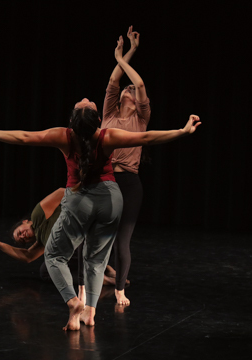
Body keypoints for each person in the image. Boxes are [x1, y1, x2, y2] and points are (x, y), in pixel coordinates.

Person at [0, 52, 200, 329]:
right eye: (88, 103)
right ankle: (90, 313)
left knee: (54, 256)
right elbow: (148, 137)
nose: (86, 98)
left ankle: (73, 301)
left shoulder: (64, 136)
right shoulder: (107, 135)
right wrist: (183, 130)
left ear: (74, 121)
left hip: (80, 200)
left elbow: (23, 137)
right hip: (110, 199)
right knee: (96, 259)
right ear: (95, 119)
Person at [0, 188, 120, 303]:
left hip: (91, 238)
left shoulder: (38, 215)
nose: (23, 236)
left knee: (58, 256)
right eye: (22, 239)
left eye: (20, 233)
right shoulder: (43, 240)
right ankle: (104, 272)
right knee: (46, 271)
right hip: (87, 249)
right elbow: (27, 256)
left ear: (25, 222)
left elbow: (61, 192)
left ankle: (99, 273)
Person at [102, 26, 149, 306]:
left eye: (132, 90)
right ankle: (84, 288)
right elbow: (113, 82)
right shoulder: (109, 112)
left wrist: (124, 58)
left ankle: (120, 289)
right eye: (126, 88)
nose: (129, 88)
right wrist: (124, 55)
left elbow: (140, 85)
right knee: (92, 236)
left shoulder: (141, 119)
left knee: (122, 241)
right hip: (104, 180)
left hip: (129, 183)